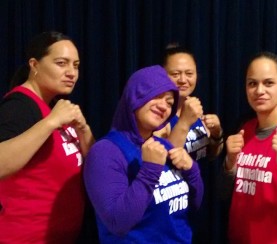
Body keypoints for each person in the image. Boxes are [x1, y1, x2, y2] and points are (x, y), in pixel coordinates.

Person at [84, 65, 204, 243]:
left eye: (169, 102)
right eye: (156, 96)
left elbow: (194, 205)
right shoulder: (105, 152)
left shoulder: (163, 145)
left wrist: (192, 170)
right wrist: (149, 171)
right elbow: (117, 222)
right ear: (135, 95)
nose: (163, 106)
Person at [0, 31, 95, 243]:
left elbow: (95, 163)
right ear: (34, 65)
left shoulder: (54, 107)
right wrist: (50, 122)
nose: (72, 72)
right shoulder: (19, 107)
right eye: (62, 63)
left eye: (76, 65)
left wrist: (84, 129)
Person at [222, 51, 277, 243]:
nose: (259, 90)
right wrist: (229, 163)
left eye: (268, 83)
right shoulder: (244, 129)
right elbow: (223, 195)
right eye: (252, 83)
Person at [154, 44, 223, 163]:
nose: (182, 80)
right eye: (175, 74)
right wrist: (184, 122)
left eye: (189, 74)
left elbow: (211, 154)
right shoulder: (159, 113)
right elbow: (162, 165)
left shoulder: (193, 105)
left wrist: (217, 134)